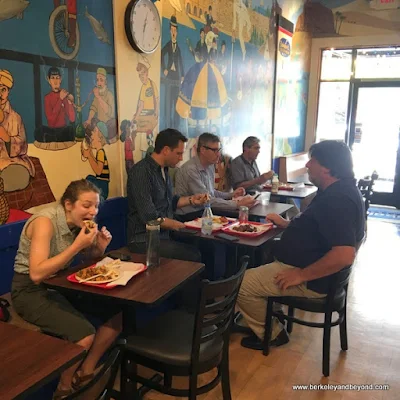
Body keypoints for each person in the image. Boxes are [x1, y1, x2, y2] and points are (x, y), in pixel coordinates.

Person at [235, 140, 365, 350]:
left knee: (240, 285)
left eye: (311, 161)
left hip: (312, 278)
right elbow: (318, 229)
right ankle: (266, 317)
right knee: (264, 258)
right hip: (307, 267)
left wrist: (301, 275)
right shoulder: (336, 190)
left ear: (327, 168)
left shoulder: (338, 200)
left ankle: (273, 333)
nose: (307, 166)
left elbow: (343, 255)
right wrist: (288, 224)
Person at [11, 179, 122, 399]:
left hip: (60, 283)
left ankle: (86, 370)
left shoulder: (79, 222)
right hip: (29, 290)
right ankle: (63, 389)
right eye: (87, 205)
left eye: (96, 206)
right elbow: (36, 273)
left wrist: (98, 247)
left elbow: (85, 257)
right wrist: (77, 246)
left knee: (117, 316)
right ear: (68, 204)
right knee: (84, 336)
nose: (93, 211)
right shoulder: (46, 221)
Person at [127, 128, 209, 261]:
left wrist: (192, 200)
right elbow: (150, 217)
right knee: (193, 254)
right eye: (178, 153)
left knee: (205, 245)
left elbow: (170, 201)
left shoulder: (164, 170)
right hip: (142, 239)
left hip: (163, 234)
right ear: (165, 150)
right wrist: (179, 225)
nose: (181, 158)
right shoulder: (141, 172)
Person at [174, 132, 256, 219]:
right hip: (188, 216)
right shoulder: (191, 169)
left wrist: (231, 194)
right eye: (214, 150)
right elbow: (207, 200)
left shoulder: (210, 165)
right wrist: (237, 204)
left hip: (203, 211)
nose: (218, 154)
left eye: (219, 150)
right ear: (203, 150)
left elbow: (211, 192)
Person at [0, 69, 35, 192]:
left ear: (8, 91)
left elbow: (23, 147)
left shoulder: (15, 117)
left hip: (12, 163)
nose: (0, 94)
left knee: (18, 174)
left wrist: (7, 138)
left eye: (3, 89)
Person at [81, 119, 110, 199]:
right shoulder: (99, 152)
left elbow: (98, 171)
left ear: (100, 138)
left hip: (102, 186)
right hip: (101, 183)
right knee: (89, 178)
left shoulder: (100, 152)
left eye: (95, 131)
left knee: (88, 180)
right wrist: (89, 152)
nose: (92, 134)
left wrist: (89, 156)